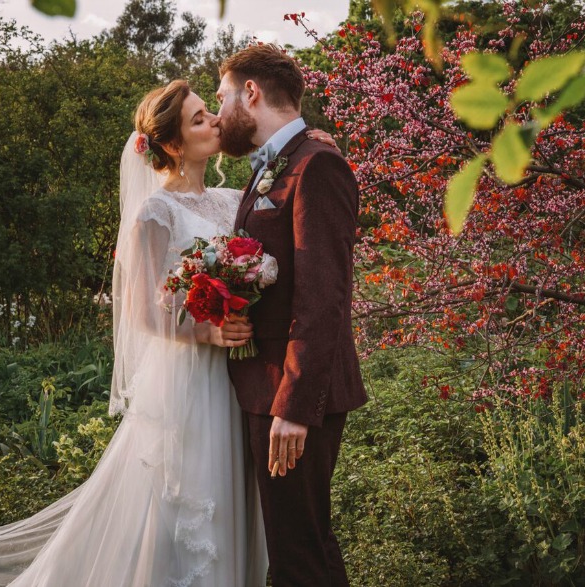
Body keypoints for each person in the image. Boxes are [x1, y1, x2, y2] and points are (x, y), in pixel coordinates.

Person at [0, 80, 336, 586]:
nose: (213, 122)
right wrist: (207, 333)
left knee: (239, 503)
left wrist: (314, 139)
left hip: (240, 380)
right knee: (186, 508)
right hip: (190, 380)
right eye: (199, 119)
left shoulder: (235, 198)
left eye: (210, 111)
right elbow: (142, 312)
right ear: (170, 144)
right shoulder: (153, 213)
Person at [215, 45, 368, 586]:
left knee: (300, 553)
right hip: (267, 387)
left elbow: (325, 297)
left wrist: (296, 406)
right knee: (294, 546)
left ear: (250, 93)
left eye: (222, 96)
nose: (218, 111)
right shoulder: (276, 166)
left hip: (294, 393)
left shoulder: (316, 163)